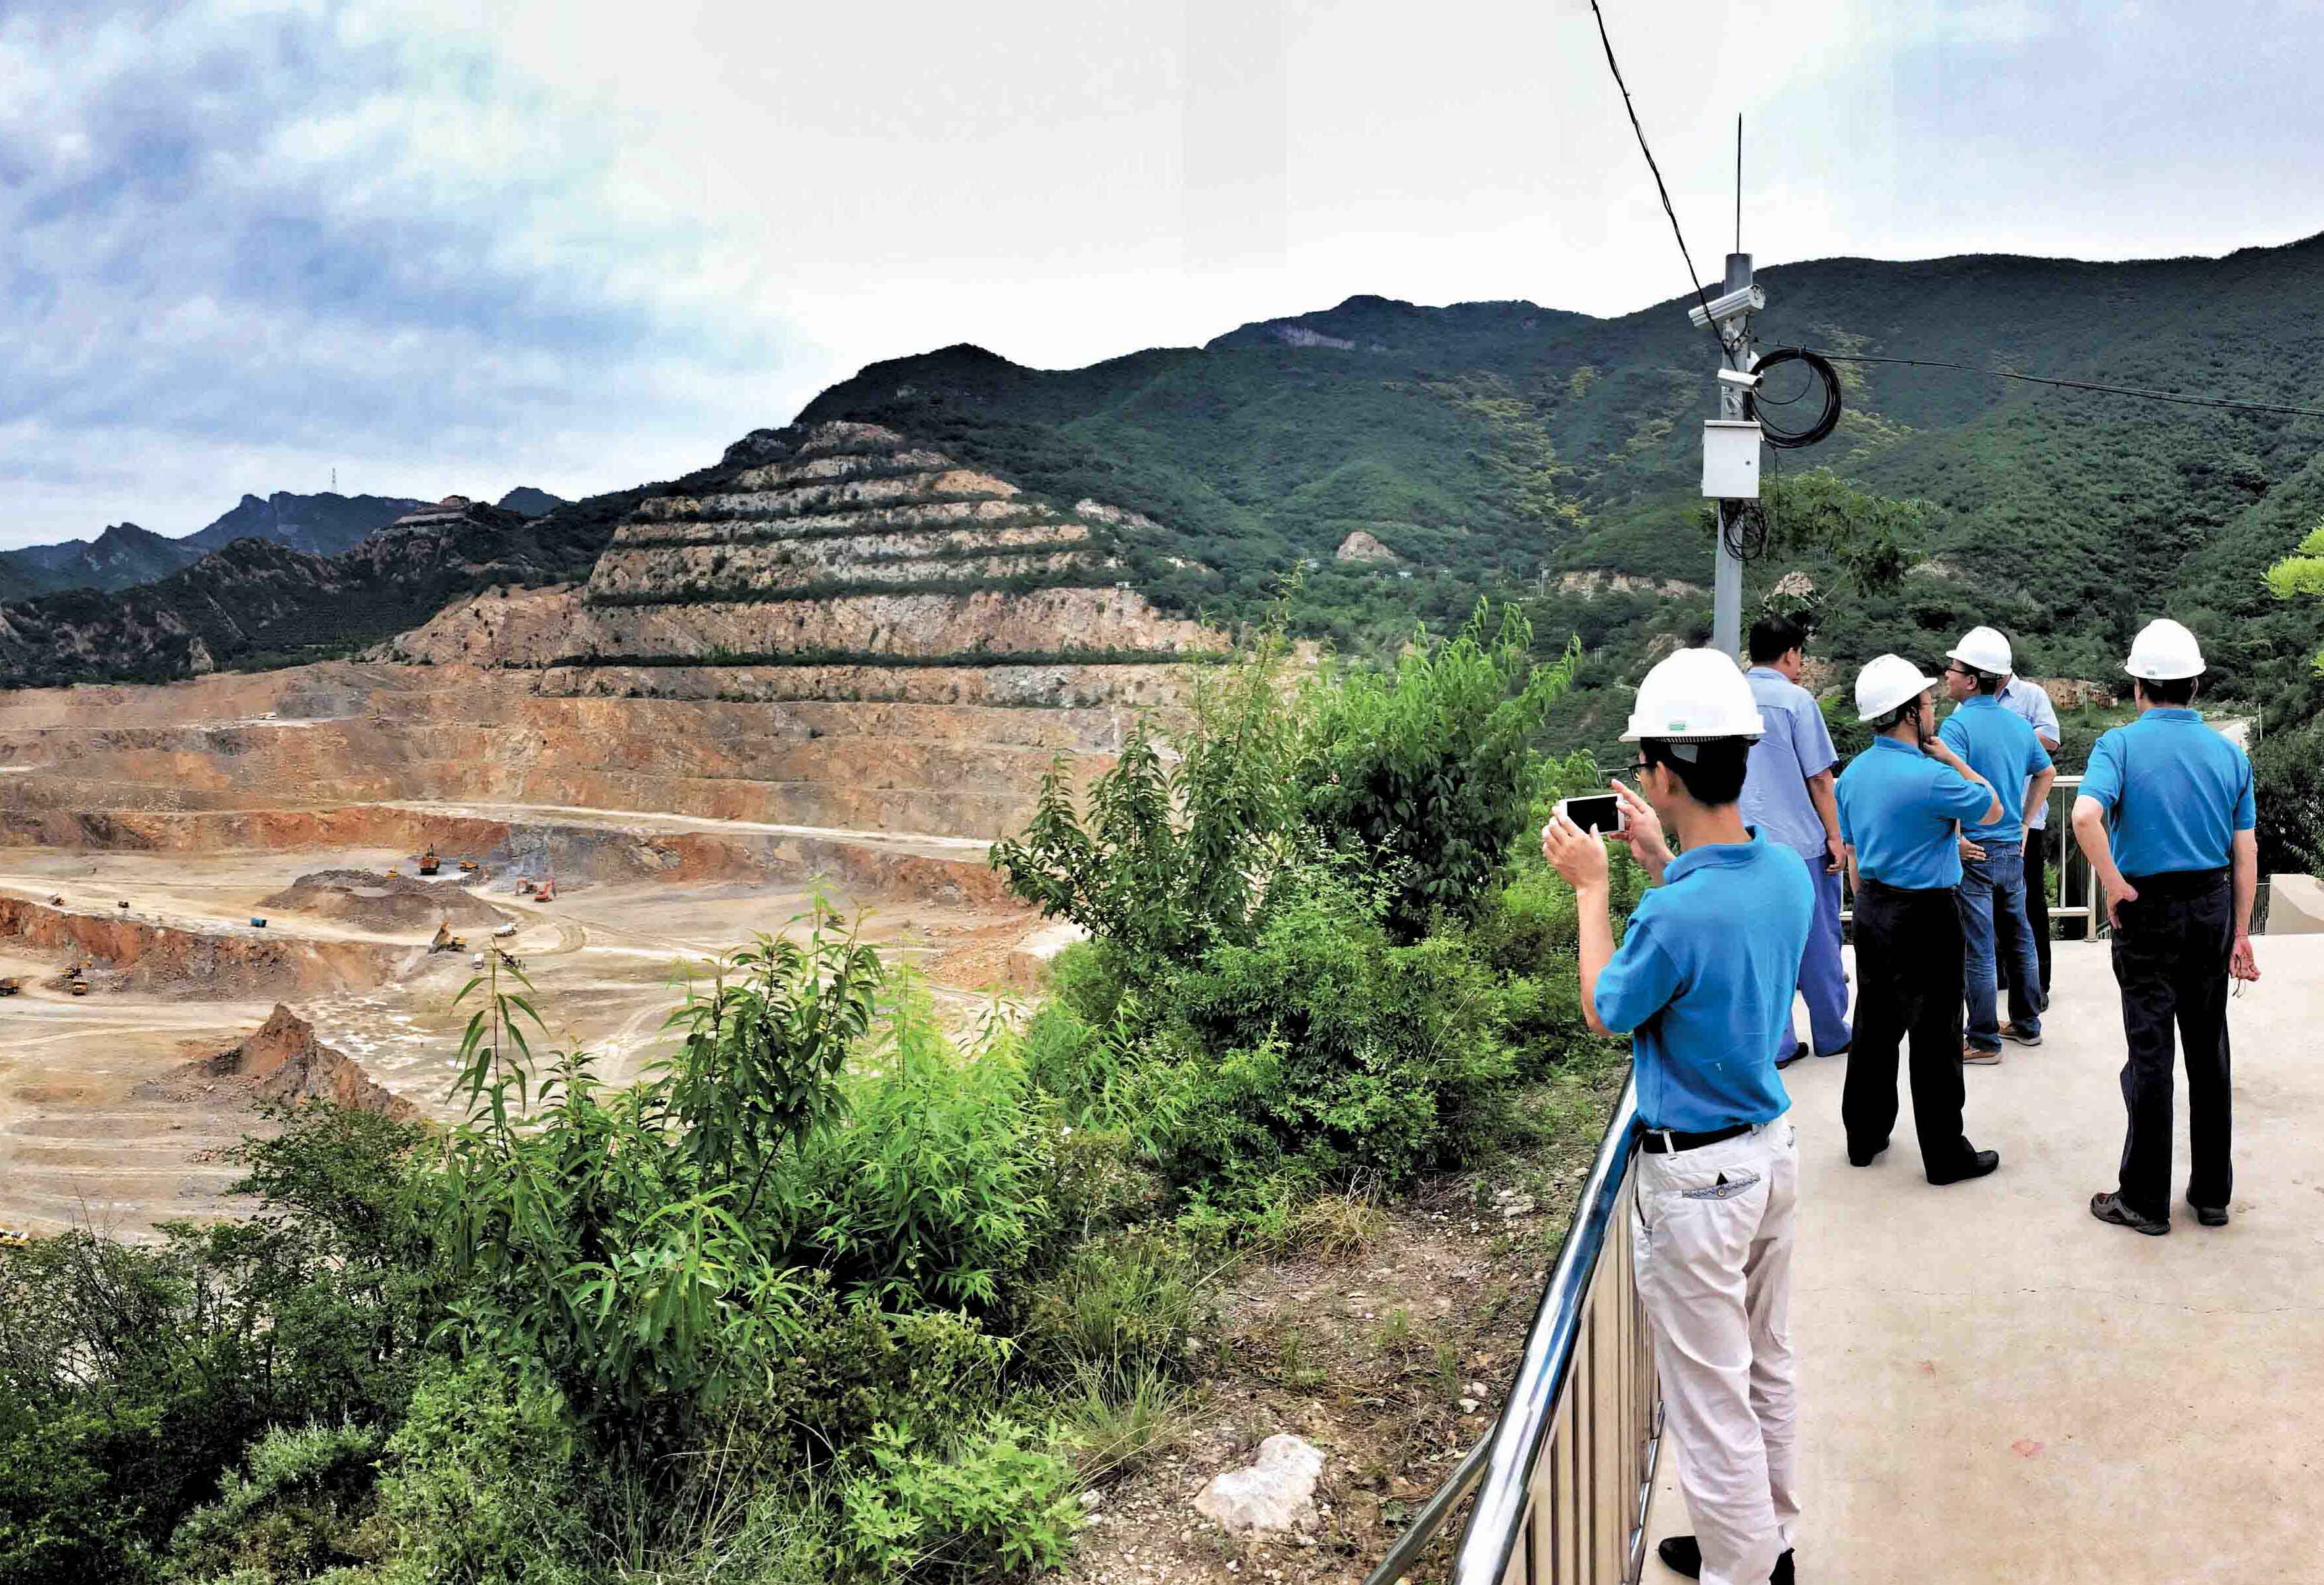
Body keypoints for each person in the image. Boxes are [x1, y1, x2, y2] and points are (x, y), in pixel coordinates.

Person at [1541, 647, 1810, 1585]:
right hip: (1769, 1153)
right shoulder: (1781, 874)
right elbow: (1713, 941)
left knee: (1708, 1400)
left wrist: (1593, 891)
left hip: (1698, 1182)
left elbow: (1608, 1007)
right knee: (1765, 1365)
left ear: (1660, 773)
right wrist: (1663, 858)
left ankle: (1746, 1570)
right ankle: (1764, 1536)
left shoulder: (1673, 916)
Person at [2073, 618, 2260, 1236]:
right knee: (2208, 1051)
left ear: (2137, 689)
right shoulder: (2229, 755)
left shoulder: (2118, 746)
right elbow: (2245, 853)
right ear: (2196, 685)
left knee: (2150, 1053)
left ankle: (2143, 1201)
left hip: (2146, 910)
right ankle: (2211, 1195)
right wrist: (2239, 933)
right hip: (2209, 907)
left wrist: (2113, 882)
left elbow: (2083, 816)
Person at [1834, 655, 2004, 1184]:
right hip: (1926, 913)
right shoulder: (1932, 778)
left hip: (1872, 908)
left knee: (1874, 1028)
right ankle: (1944, 1155)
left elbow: (1854, 854)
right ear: (1909, 714)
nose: (1932, 711)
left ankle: (1864, 1137)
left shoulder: (1852, 776)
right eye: (1927, 704)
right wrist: (1952, 758)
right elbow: (1994, 809)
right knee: (1934, 1036)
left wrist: (1868, 908)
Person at [1939, 628, 2055, 1063]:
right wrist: (2025, 821)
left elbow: (1947, 787)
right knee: (2019, 937)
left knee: (1979, 946)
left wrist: (1956, 837)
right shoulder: (2016, 724)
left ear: (1971, 680)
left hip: (1975, 851)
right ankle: (2027, 1025)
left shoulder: (1956, 726)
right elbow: (2044, 772)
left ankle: (1984, 1039)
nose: (1947, 674)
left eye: (1954, 668)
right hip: (2011, 847)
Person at [1740, 615, 1851, 1069]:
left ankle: (1778, 1044)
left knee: (1761, 944)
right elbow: (1821, 779)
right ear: (1788, 653)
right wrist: (1835, 836)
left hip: (1742, 844)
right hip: (1801, 844)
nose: (1800, 663)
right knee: (1817, 938)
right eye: (1799, 654)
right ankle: (1830, 1032)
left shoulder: (1728, 698)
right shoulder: (1796, 701)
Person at [1993, 665, 2062, 999]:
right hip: (1986, 820)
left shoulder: (2031, 695)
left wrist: (2005, 739)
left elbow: (2051, 738)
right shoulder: (1971, 701)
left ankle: (2038, 984)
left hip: (2025, 819)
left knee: (2030, 903)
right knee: (1990, 904)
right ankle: (2003, 976)